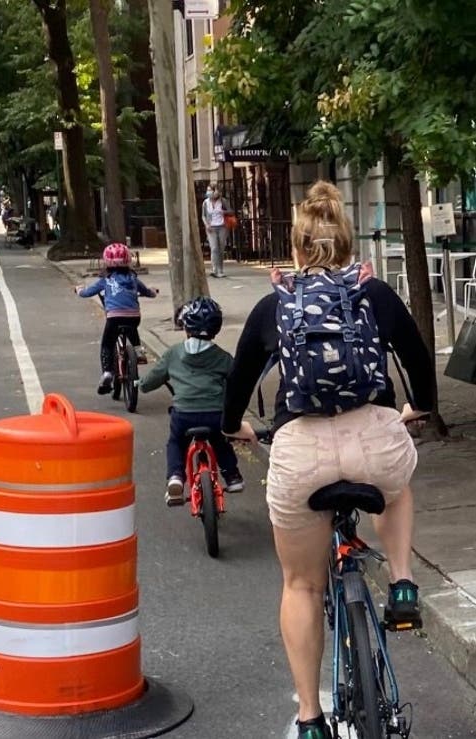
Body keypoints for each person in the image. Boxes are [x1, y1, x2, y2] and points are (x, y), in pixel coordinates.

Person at [221, 180, 433, 739]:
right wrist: (415, 408)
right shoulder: (377, 296)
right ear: (346, 241)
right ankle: (405, 584)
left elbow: (238, 383)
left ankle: (311, 718)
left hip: (301, 452)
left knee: (301, 586)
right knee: (398, 481)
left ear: (296, 248)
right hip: (374, 440)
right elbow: (417, 363)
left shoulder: (275, 305)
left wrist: (234, 429)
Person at [139, 297, 244, 504]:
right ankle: (232, 477)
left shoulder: (173, 354)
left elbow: (150, 381)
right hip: (215, 415)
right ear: (217, 328)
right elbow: (237, 383)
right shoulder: (223, 357)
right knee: (221, 441)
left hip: (184, 414)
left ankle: (176, 477)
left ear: (185, 326)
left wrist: (140, 384)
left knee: (176, 443)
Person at [75, 243, 158, 395]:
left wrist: (79, 290)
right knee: (132, 331)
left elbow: (87, 293)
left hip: (114, 317)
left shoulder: (105, 280)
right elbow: (147, 292)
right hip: (134, 316)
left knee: (107, 343)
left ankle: (107, 372)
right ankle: (139, 352)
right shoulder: (133, 278)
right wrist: (153, 292)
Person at [202, 186, 233, 278]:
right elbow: (203, 215)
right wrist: (206, 224)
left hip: (222, 227)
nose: (209, 192)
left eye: (211, 190)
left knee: (221, 248)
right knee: (214, 248)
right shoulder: (205, 203)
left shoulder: (223, 201)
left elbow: (231, 211)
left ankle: (220, 269)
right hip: (211, 228)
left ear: (217, 192)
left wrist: (224, 212)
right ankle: (215, 269)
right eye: (208, 190)